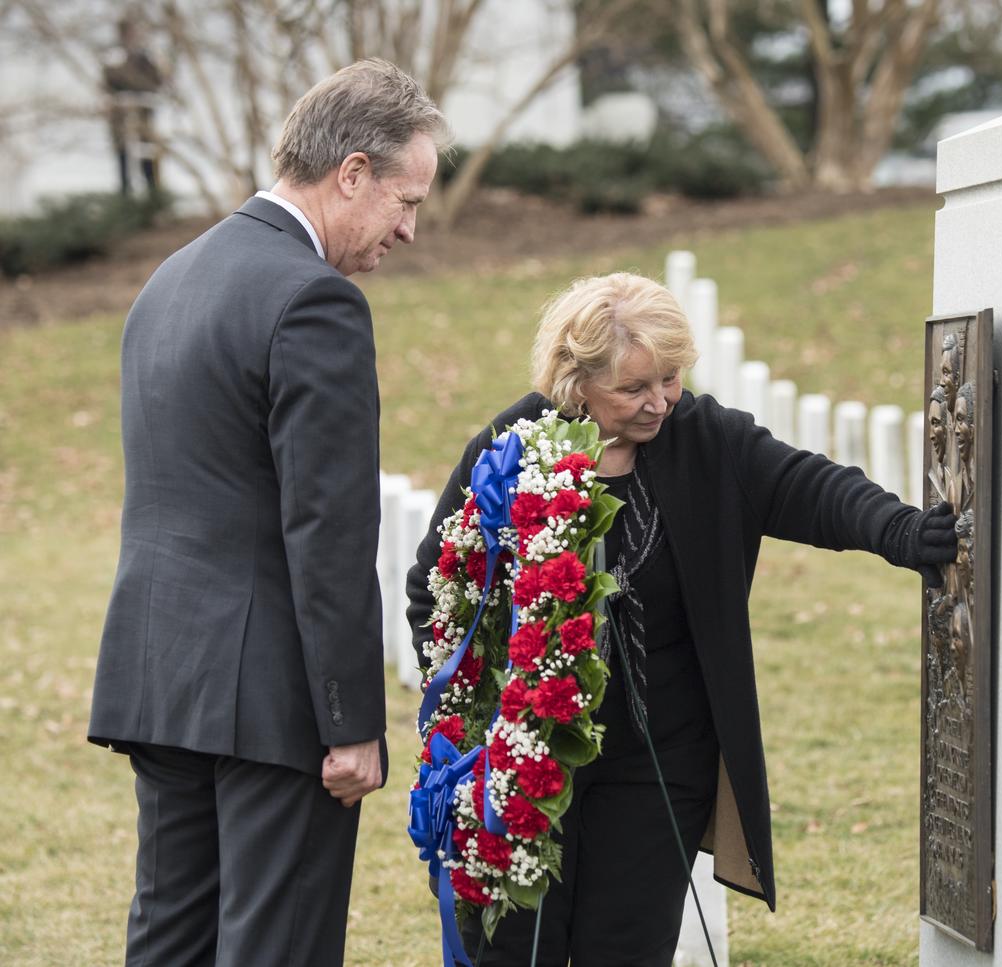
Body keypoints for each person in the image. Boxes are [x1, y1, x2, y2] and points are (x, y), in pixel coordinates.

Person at [405, 272, 958, 966]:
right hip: (523, 762)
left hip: (659, 762)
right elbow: (437, 585)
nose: (660, 400)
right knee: (514, 950)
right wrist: (472, 712)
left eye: (669, 378)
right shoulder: (512, 447)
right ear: (577, 380)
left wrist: (902, 532)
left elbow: (807, 486)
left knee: (628, 949)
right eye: (636, 387)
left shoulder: (705, 440)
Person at [89, 59, 449, 967]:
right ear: (352, 173)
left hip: (163, 674)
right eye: (406, 199)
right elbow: (327, 530)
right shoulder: (315, 299)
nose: (409, 229)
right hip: (272, 697)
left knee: (169, 940)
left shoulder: (170, 278)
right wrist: (349, 718)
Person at [102, 11, 164, 196]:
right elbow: (110, 81)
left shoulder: (145, 57)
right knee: (123, 159)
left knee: (148, 160)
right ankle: (126, 203)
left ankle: (153, 200)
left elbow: (155, 82)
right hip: (121, 118)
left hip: (143, 115)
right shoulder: (113, 56)